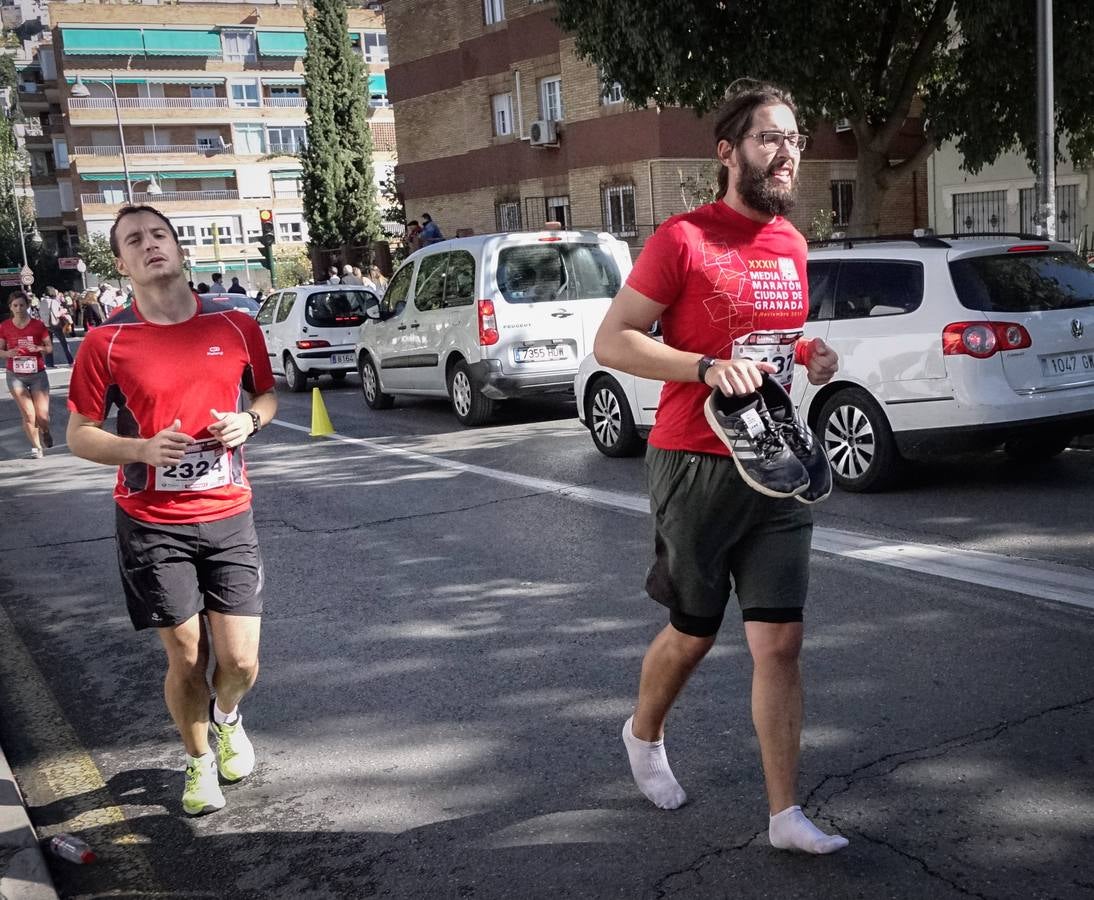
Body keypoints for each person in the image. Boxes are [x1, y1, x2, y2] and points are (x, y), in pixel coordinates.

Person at [593, 84, 846, 855]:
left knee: (780, 642)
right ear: (728, 153)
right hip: (694, 462)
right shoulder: (682, 238)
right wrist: (704, 367)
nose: (787, 152)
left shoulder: (792, 245)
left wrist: (810, 353)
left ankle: (784, 816)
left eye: (795, 139)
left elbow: (774, 337)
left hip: (777, 460)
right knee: (694, 631)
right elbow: (615, 342)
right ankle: (643, 732)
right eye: (771, 138)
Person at [66, 205, 278, 817]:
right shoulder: (107, 342)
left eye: (158, 234)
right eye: (134, 240)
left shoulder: (238, 326)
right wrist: (141, 448)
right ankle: (198, 763)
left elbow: (264, 396)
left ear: (179, 248)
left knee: (240, 660)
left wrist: (249, 421)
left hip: (228, 513)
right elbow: (80, 434)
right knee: (187, 656)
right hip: (152, 522)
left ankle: (228, 716)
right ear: (122, 262)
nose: (149, 244)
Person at [0, 291, 53, 458]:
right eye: (15, 305)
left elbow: (50, 348)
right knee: (29, 414)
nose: (19, 308)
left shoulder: (38, 325)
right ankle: (37, 447)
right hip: (15, 375)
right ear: (10, 307)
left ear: (27, 306)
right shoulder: (4, 326)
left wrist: (39, 349)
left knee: (42, 416)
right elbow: (0, 350)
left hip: (37, 374)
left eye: (22, 305)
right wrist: (8, 353)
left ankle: (45, 430)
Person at [42, 288, 75, 367]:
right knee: (64, 343)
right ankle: (70, 361)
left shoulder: (42, 302)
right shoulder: (54, 302)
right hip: (55, 324)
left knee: (48, 345)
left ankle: (49, 363)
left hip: (45, 325)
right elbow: (56, 314)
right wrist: (63, 311)